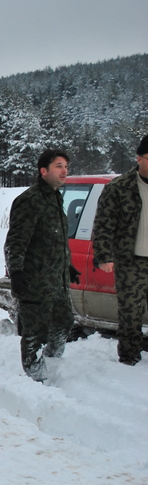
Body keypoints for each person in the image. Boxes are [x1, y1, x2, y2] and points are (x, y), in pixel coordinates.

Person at [3, 149, 75, 381]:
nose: (64, 170)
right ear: (43, 171)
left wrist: (68, 266)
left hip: (58, 280)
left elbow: (56, 239)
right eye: (58, 166)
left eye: (66, 166)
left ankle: (53, 364)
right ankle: (34, 378)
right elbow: (15, 241)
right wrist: (15, 273)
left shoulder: (56, 197)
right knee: (34, 331)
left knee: (64, 323)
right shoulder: (30, 200)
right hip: (35, 280)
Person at [92, 134, 148, 366]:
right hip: (131, 262)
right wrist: (104, 256)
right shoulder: (120, 187)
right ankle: (129, 360)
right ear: (139, 159)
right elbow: (103, 224)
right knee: (131, 314)